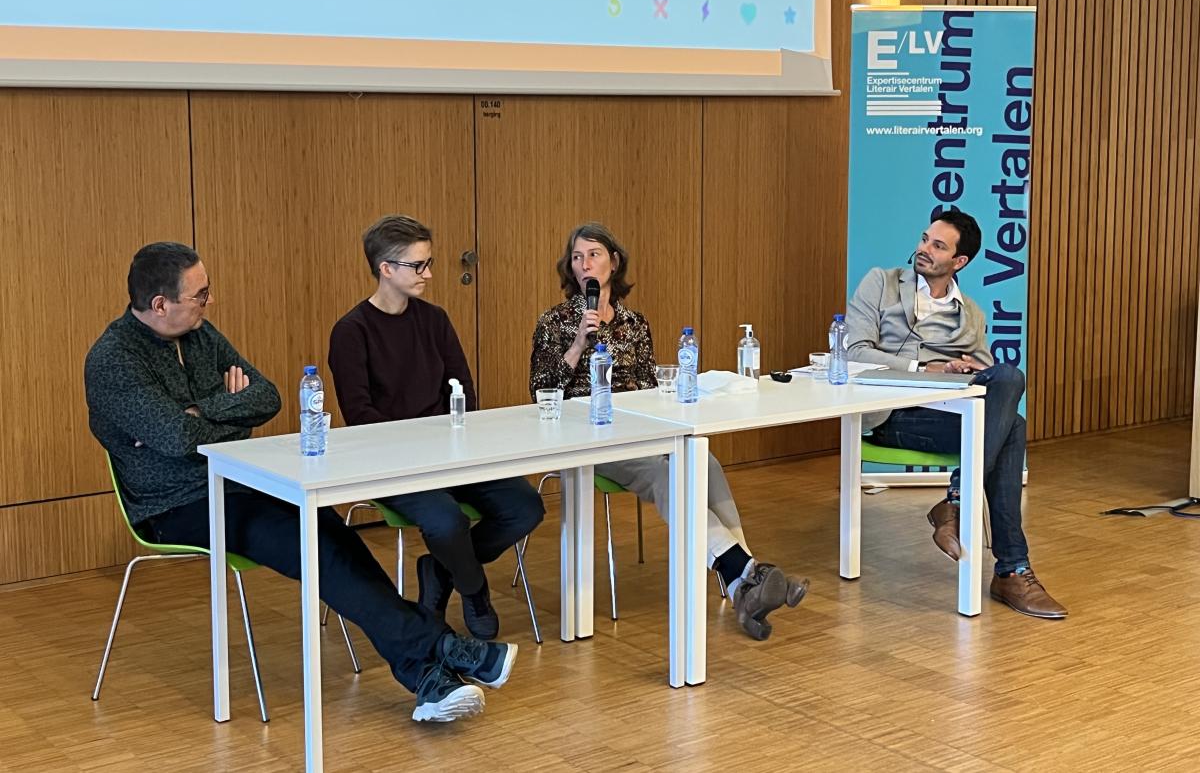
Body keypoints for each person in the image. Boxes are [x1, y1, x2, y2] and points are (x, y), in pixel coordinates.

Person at [84, 241, 517, 723]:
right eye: (200, 295)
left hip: (242, 478)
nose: (210, 303)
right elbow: (175, 434)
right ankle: (444, 649)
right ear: (160, 304)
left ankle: (428, 677)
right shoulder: (114, 360)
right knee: (314, 548)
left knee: (333, 535)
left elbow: (264, 396)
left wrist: (199, 411)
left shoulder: (200, 335)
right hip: (177, 503)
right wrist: (216, 413)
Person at [530, 222, 808, 640]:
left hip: (638, 426)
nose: (584, 264)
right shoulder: (555, 322)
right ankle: (747, 573)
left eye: (593, 255)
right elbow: (540, 391)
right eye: (576, 257)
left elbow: (646, 386)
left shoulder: (634, 323)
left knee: (704, 461)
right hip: (585, 432)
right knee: (666, 475)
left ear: (614, 263)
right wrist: (576, 347)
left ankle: (741, 585)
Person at [329, 216, 544, 640]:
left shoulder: (435, 319)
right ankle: (474, 587)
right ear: (386, 268)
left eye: (430, 263)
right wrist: (420, 448)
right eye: (418, 265)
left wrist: (453, 440)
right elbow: (360, 417)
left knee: (526, 506)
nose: (428, 274)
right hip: (391, 462)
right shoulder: (351, 332)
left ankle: (442, 569)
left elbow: (464, 390)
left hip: (451, 453)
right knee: (446, 523)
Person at [845, 210, 1067, 619]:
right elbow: (854, 351)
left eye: (938, 246)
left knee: (1007, 381)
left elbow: (991, 381)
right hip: (892, 415)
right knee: (1013, 427)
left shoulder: (972, 313)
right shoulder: (881, 283)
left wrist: (964, 369)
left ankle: (959, 506)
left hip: (947, 413)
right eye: (925, 239)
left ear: (959, 262)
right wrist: (922, 369)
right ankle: (1011, 569)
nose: (923, 250)